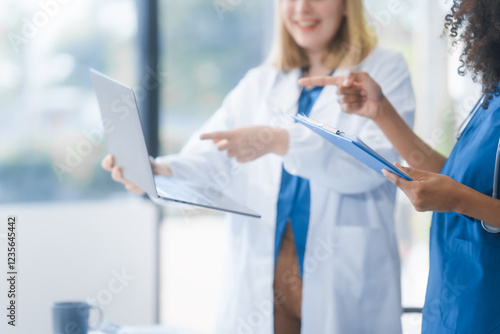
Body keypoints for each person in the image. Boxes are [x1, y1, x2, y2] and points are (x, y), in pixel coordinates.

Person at [103, 0, 415, 333]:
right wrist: (158, 173)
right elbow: (209, 156)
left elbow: (375, 167)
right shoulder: (260, 82)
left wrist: (278, 140)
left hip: (346, 278)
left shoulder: (385, 69)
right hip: (265, 284)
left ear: (345, 6)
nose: (302, 8)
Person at [299, 0, 500, 333]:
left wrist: (458, 200)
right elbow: (454, 177)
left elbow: (459, 192)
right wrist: (380, 111)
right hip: (451, 307)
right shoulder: (492, 94)